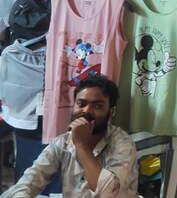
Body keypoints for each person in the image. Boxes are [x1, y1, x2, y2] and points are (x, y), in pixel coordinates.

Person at [1, 76, 138, 198]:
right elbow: (29, 181)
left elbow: (109, 193)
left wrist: (82, 146)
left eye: (97, 106)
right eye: (81, 104)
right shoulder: (63, 142)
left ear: (111, 111)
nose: (86, 111)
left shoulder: (122, 143)